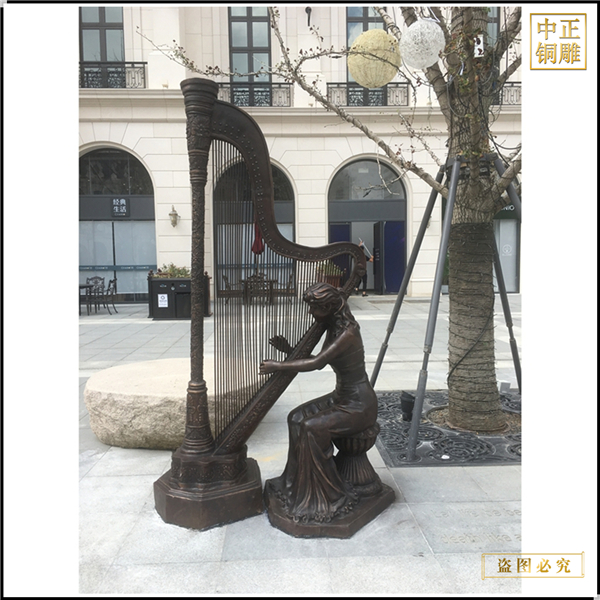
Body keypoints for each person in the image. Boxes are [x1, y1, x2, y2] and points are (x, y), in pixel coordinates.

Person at [259, 282, 378, 523]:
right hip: (341, 397)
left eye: (315, 308)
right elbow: (322, 359)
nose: (311, 313)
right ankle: (294, 485)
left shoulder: (348, 333)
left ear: (329, 307)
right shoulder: (334, 327)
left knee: (311, 427)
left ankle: (326, 495)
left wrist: (278, 366)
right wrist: (289, 350)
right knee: (295, 418)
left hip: (359, 404)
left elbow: (317, 363)